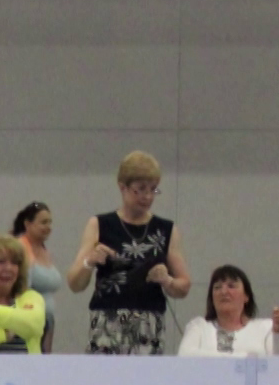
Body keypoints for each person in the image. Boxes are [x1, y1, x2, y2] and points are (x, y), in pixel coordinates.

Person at [66, 151, 192, 356]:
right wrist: (90, 262)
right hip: (107, 324)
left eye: (153, 190)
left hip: (149, 326)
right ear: (122, 187)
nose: (148, 197)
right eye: (140, 190)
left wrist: (167, 280)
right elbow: (74, 283)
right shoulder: (99, 225)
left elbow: (184, 285)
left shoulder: (166, 230)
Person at [179, 265, 279, 358]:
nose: (224, 292)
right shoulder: (199, 326)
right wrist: (246, 358)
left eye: (231, 286)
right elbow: (185, 357)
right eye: (217, 287)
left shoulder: (266, 327)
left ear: (246, 296)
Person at [12, 202, 64, 353]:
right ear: (28, 224)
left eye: (50, 222)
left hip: (47, 322)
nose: (48, 227)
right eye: (43, 222)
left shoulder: (44, 250)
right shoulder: (20, 248)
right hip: (28, 321)